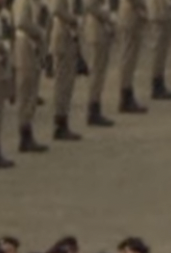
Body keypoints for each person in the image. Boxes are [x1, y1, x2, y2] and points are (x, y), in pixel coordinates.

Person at [12, 0, 49, 153]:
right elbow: (21, 22)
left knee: (32, 92)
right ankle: (24, 133)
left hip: (33, 46)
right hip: (25, 46)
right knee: (26, 91)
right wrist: (39, 31)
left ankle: (28, 131)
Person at [49, 0, 83, 141]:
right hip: (62, 38)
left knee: (68, 83)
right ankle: (60, 123)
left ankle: (64, 120)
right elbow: (57, 9)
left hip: (70, 38)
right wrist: (74, 19)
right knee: (62, 84)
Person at [82, 0, 116, 128]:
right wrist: (108, 17)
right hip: (96, 28)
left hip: (102, 28)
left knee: (100, 72)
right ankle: (93, 107)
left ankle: (96, 105)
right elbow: (90, 5)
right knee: (96, 71)